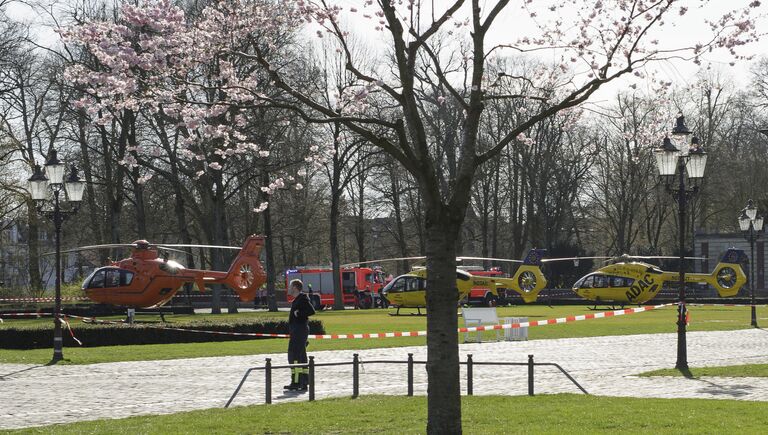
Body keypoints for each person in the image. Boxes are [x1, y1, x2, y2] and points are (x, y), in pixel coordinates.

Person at [284, 279, 315, 392]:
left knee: (294, 356)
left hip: (299, 332)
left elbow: (311, 311)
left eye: (290, 286)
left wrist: (299, 314)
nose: (288, 288)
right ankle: (303, 382)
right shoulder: (298, 299)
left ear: (295, 288)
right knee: (301, 356)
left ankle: (296, 382)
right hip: (297, 332)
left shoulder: (302, 298)